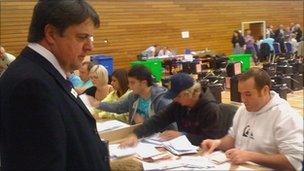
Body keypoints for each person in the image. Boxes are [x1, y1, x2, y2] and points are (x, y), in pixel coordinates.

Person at [0, 1, 110, 170]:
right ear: (51, 34)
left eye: (91, 37)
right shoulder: (31, 86)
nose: (90, 46)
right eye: (82, 37)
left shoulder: (44, 74)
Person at [201, 68, 303, 170]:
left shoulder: (286, 116)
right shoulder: (243, 110)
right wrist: (218, 143)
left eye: (248, 94)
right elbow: (233, 138)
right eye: (241, 93)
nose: (243, 99)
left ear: (265, 90)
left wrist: (250, 156)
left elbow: (293, 162)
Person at [119, 73, 235, 147]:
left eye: (178, 96)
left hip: (205, 154)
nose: (175, 99)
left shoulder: (210, 109)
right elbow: (159, 119)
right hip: (185, 152)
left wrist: (182, 135)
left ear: (190, 94)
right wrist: (135, 134)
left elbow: (211, 139)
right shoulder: (179, 104)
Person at [94, 65, 173, 125]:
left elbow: (171, 128)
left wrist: (144, 123)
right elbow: (118, 108)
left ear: (144, 83)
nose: (129, 86)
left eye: (132, 82)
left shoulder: (162, 100)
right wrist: (98, 104)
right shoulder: (133, 96)